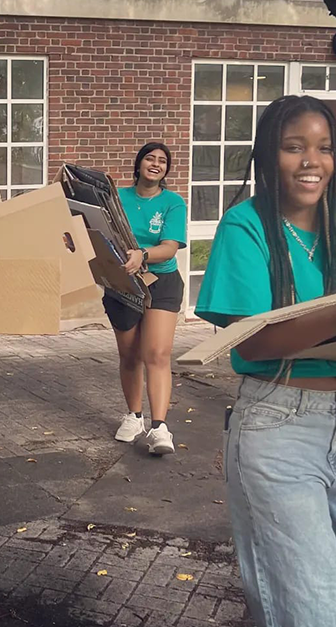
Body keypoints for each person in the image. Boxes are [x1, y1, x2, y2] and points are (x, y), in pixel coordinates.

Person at [195, 95, 336, 627]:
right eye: (294, 147)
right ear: (269, 156)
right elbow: (255, 343)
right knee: (312, 611)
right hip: (279, 427)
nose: (312, 161)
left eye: (324, 148)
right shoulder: (244, 226)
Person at [106, 142, 187, 454]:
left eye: (162, 161)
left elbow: (170, 246)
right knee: (129, 355)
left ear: (166, 170)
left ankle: (160, 428)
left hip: (162, 281)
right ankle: (134, 416)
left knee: (157, 353)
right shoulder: (118, 198)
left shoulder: (173, 202)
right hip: (122, 282)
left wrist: (143, 254)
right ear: (138, 164)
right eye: (150, 159)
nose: (156, 164)